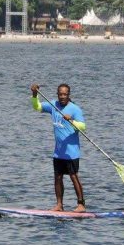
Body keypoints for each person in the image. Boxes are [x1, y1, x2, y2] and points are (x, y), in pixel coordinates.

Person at [31, 83, 87, 212]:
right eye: (60, 94)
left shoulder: (74, 109)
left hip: (71, 152)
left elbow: (83, 126)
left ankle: (81, 204)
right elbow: (37, 107)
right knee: (58, 177)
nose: (62, 96)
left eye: (65, 94)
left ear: (68, 95)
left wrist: (71, 121)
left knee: (74, 177)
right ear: (57, 94)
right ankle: (59, 205)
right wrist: (34, 94)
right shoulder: (53, 105)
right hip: (58, 152)